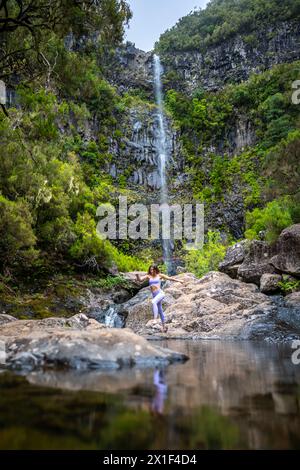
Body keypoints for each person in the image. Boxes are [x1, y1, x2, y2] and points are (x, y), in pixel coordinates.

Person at [135, 265, 184, 333]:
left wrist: (179, 280)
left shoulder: (160, 275)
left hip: (160, 293)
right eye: (151, 270)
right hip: (154, 295)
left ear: (156, 269)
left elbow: (169, 278)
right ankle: (164, 326)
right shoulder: (148, 276)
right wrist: (137, 275)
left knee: (153, 302)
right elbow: (140, 280)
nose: (152, 271)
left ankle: (155, 319)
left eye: (153, 269)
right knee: (160, 310)